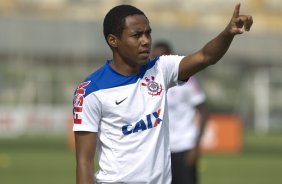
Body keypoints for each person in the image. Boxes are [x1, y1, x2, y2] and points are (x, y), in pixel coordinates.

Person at [73, 4, 253, 184]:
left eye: (148, 33)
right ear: (113, 41)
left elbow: (206, 56)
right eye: (137, 35)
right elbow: (84, 162)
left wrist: (228, 33)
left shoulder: (160, 68)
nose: (146, 41)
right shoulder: (91, 91)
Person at [152, 41, 208, 184]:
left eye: (162, 56)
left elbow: (203, 112)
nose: (158, 60)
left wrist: (195, 147)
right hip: (159, 150)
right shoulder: (149, 82)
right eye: (155, 57)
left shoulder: (188, 81)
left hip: (184, 146)